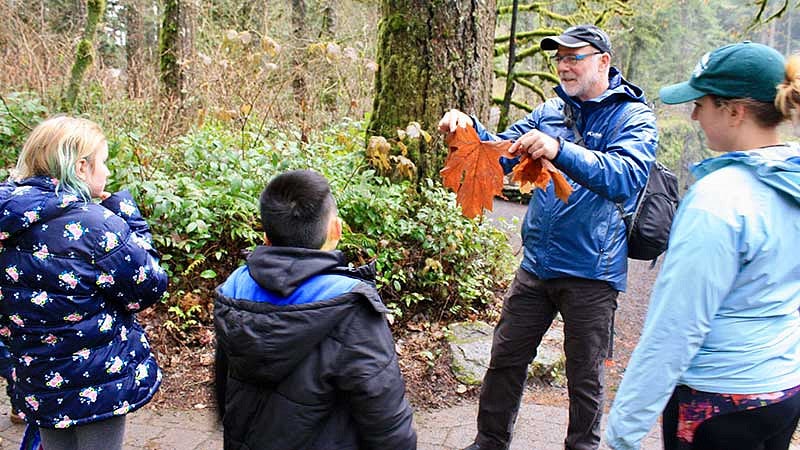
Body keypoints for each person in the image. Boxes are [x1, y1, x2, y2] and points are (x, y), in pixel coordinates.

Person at [438, 25, 659, 450]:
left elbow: (626, 177)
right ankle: (489, 442)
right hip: (536, 264)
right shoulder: (549, 111)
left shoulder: (633, 117)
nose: (563, 65)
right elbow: (501, 154)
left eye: (574, 56)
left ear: (603, 62)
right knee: (504, 359)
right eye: (559, 57)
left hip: (592, 270)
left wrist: (559, 150)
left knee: (585, 376)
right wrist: (468, 131)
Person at [605, 42, 800, 450]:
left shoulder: (719, 199)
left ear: (735, 111)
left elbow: (675, 327)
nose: (694, 114)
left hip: (717, 403)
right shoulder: (792, 180)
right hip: (781, 391)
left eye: (702, 102)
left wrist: (623, 431)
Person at [214, 169, 417, 450]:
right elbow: (387, 424)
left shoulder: (233, 291)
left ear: (266, 237)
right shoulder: (350, 309)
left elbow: (223, 390)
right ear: (336, 230)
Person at [0, 116, 168, 449]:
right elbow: (148, 285)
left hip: (37, 377)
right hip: (97, 379)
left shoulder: (8, 221)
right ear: (80, 168)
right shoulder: (96, 225)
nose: (107, 172)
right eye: (103, 162)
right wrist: (127, 217)